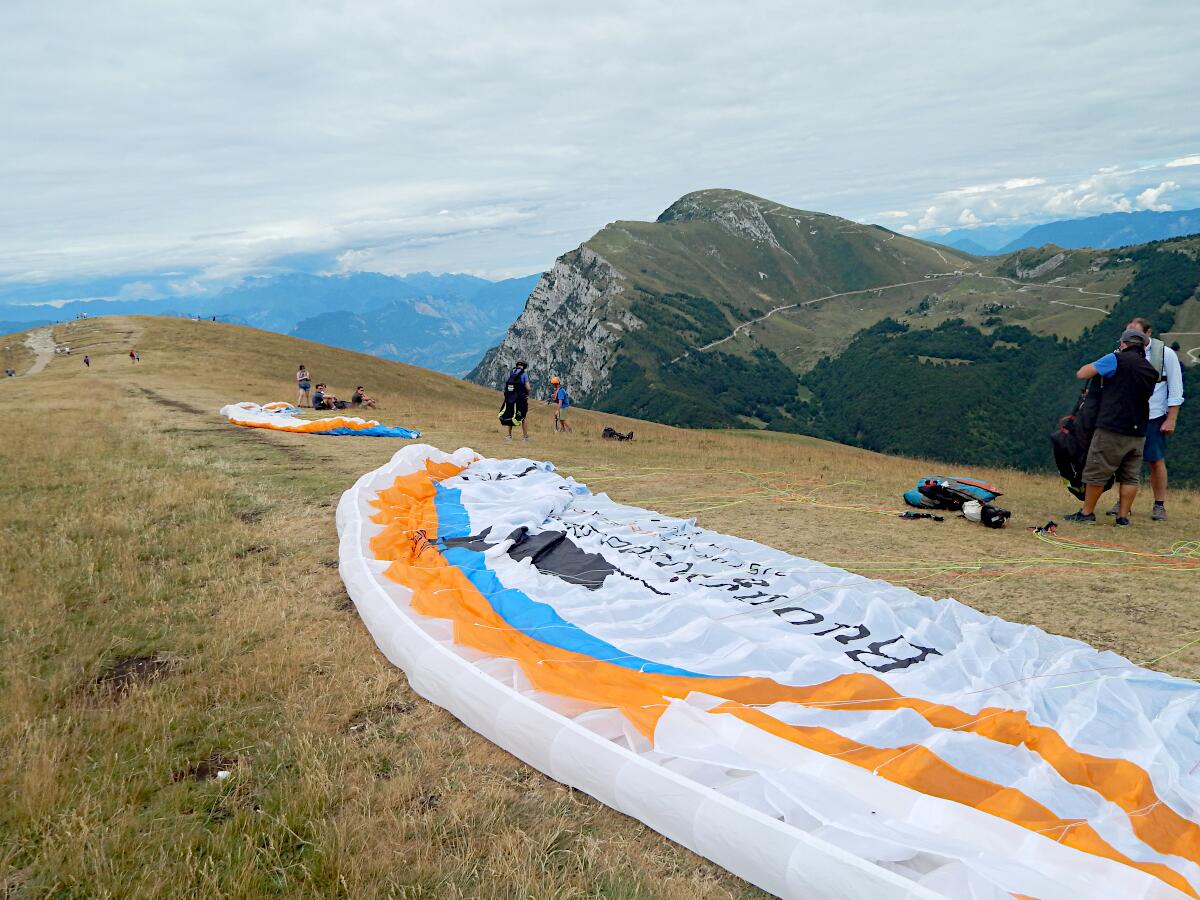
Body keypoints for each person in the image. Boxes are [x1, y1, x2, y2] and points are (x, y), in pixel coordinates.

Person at [1064, 328, 1160, 526]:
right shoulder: (1151, 370)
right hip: (1139, 430)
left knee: (1097, 471)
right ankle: (1123, 517)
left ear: (1123, 344)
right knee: (1130, 477)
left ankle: (1087, 513)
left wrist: (1102, 362)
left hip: (1112, 426)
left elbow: (1083, 373)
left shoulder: (1115, 359)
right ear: (1142, 347)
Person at [1105, 317, 1184, 521]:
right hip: (1127, 416)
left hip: (1154, 416)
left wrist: (1171, 418)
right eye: (1128, 335)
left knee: (1155, 461)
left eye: (1137, 335)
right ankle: (1123, 503)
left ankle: (1159, 505)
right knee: (1124, 461)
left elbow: (1175, 388)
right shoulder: (1119, 354)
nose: (1131, 339)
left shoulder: (1165, 354)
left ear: (1148, 334)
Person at [498, 360, 530, 441]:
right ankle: (525, 437)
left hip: (510, 399)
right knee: (524, 417)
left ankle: (509, 436)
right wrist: (527, 394)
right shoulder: (524, 373)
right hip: (520, 399)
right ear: (524, 366)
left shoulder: (511, 372)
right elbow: (528, 387)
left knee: (510, 414)